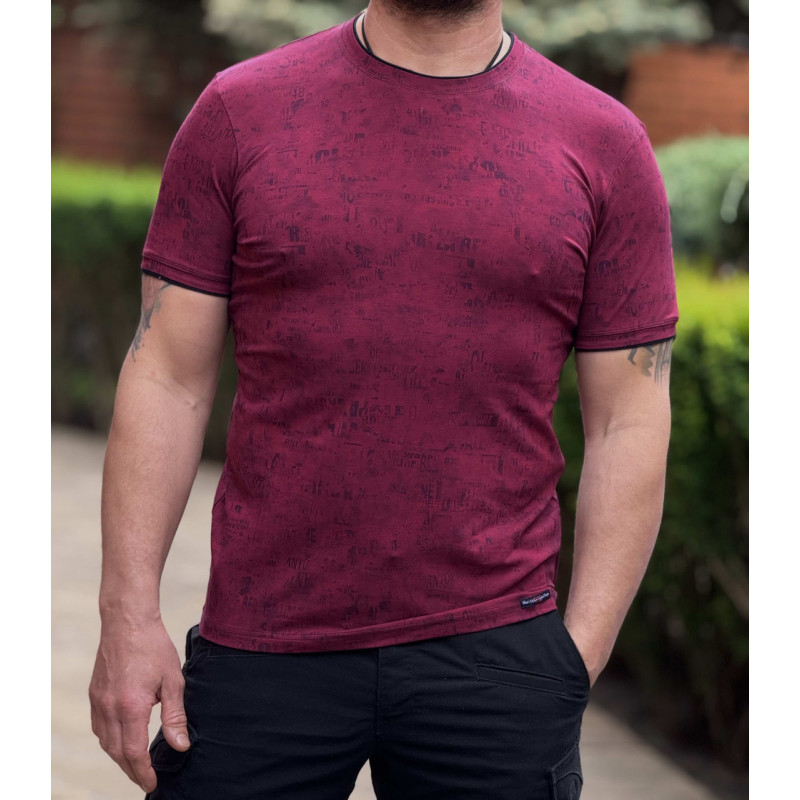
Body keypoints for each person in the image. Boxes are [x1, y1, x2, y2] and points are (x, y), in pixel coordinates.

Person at [88, 1, 678, 798]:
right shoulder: (239, 112)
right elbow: (166, 376)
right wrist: (127, 619)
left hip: (499, 651)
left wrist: (577, 658)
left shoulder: (603, 141)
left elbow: (628, 417)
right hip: (265, 640)